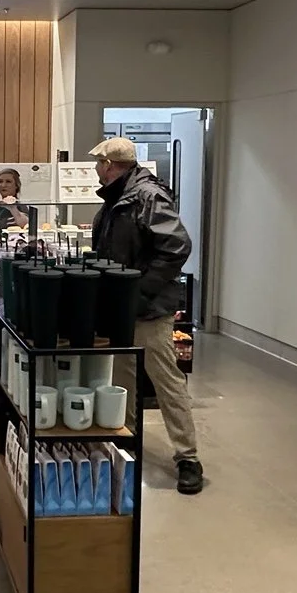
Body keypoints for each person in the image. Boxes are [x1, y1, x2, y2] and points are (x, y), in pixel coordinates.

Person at [89, 136, 204, 494]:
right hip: (122, 308)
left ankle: (188, 456)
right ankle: (125, 442)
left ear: (111, 164)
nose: (95, 167)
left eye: (98, 162)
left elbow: (177, 246)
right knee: (123, 377)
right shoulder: (117, 198)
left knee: (165, 379)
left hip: (148, 309)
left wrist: (141, 291)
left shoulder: (147, 196)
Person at [0, 167, 32, 237]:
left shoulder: (19, 207)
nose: (3, 185)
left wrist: (12, 207)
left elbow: (25, 225)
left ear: (16, 186)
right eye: (0, 181)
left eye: (8, 181)